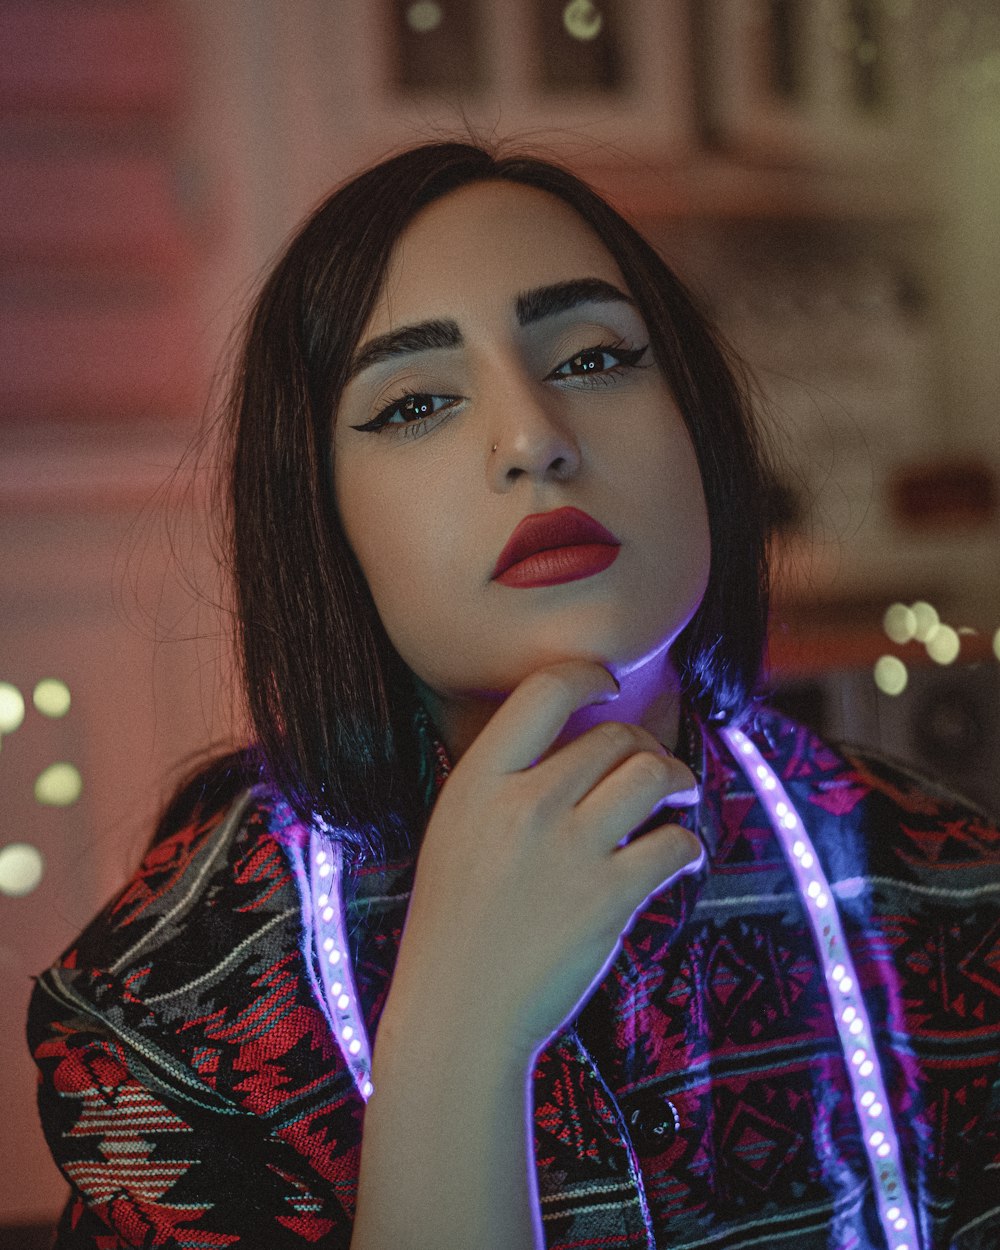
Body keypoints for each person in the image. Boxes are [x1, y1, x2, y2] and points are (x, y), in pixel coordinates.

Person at [27, 141, 1000, 1250]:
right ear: (321, 516)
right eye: (414, 403)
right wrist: (456, 1036)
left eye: (591, 358)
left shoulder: (949, 894)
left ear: (701, 430)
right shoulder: (169, 1011)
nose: (534, 438)